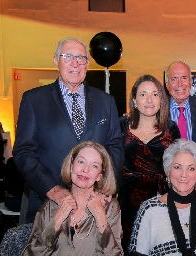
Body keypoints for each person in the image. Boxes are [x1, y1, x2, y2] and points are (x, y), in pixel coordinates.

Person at [13, 37, 124, 224]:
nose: (75, 63)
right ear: (56, 61)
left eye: (81, 58)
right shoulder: (34, 100)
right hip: (47, 204)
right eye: (68, 57)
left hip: (93, 205)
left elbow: (115, 147)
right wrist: (52, 189)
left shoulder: (106, 102)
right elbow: (24, 152)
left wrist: (104, 188)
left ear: (87, 64)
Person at [128, 139, 196, 255]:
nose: (184, 174)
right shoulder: (149, 210)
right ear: (168, 171)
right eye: (177, 167)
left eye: (191, 168)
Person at [22, 141, 123, 255]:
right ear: (71, 166)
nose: (85, 169)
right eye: (81, 162)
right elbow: (30, 253)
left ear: (99, 176)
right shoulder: (50, 206)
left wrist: (100, 218)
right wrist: (56, 222)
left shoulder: (110, 208)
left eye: (94, 166)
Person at [118, 74, 180, 249]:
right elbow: (109, 160)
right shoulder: (120, 125)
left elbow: (177, 165)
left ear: (161, 100)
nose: (149, 100)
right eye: (143, 94)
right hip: (127, 199)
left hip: (161, 198)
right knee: (128, 246)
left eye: (155, 94)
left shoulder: (171, 129)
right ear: (134, 100)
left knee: (159, 245)